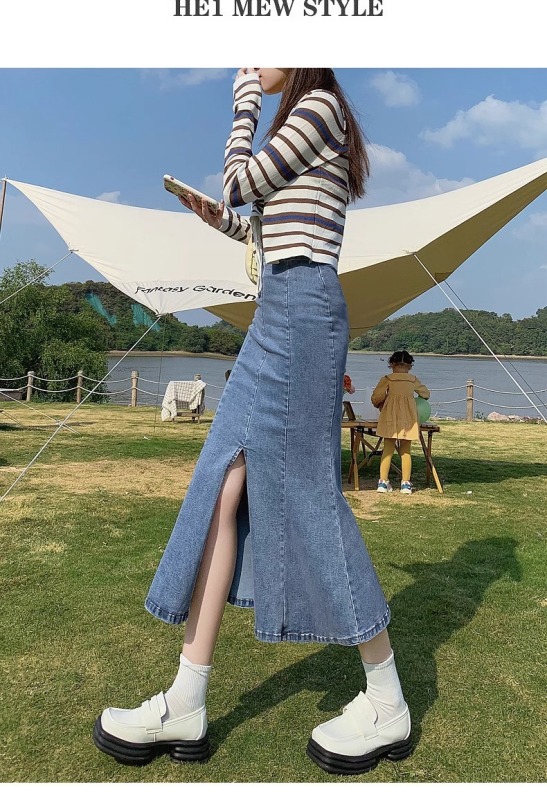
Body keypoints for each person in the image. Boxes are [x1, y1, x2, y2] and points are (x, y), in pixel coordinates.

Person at [93, 68, 412, 776]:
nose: (251, 60)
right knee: (223, 480)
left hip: (301, 312)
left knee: (306, 494)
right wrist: (222, 222)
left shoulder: (319, 107)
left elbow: (243, 181)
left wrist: (242, 104)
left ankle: (387, 700)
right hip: (280, 308)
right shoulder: (307, 117)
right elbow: (266, 224)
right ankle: (186, 698)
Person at [371, 350, 430, 494]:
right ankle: (405, 484)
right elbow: (426, 394)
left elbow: (376, 397)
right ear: (409, 366)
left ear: (392, 364)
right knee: (405, 451)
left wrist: (380, 403)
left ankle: (383, 482)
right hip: (408, 418)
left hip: (389, 416)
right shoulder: (413, 380)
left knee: (387, 450)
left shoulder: (387, 379)